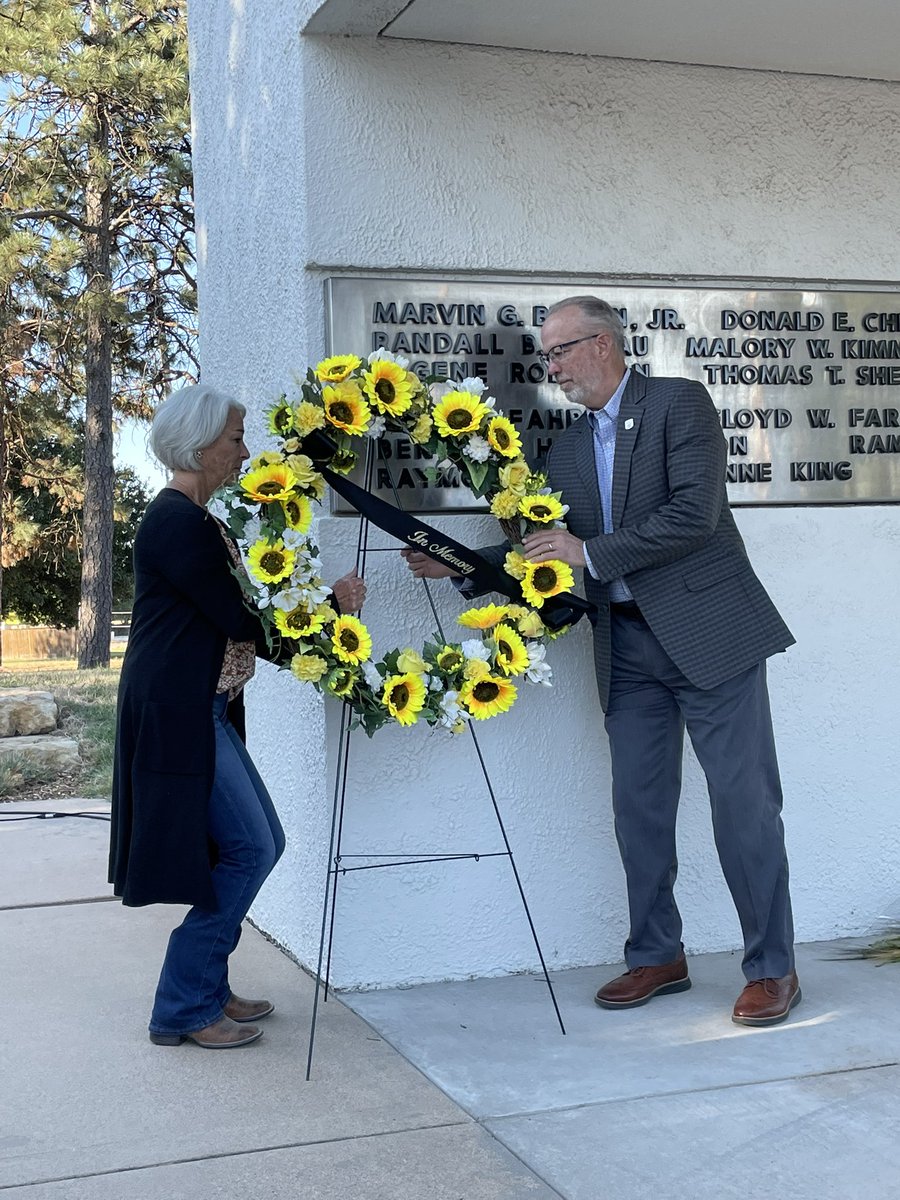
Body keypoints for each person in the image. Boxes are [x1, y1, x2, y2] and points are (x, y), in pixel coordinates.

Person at [402, 295, 799, 1027]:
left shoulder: (681, 404)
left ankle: (772, 968)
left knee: (744, 805)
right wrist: (458, 563)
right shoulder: (567, 449)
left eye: (561, 351)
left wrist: (588, 554)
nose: (551, 367)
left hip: (712, 636)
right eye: (546, 356)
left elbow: (693, 515)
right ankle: (656, 954)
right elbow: (546, 547)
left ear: (606, 344)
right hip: (628, 646)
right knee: (637, 810)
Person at [109, 384, 365, 1049]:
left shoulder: (199, 517)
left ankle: (208, 987)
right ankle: (184, 1006)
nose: (244, 450)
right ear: (199, 445)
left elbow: (234, 621)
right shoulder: (177, 522)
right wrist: (333, 614)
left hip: (206, 709)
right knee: (253, 847)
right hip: (183, 713)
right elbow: (238, 619)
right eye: (234, 438)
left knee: (250, 845)